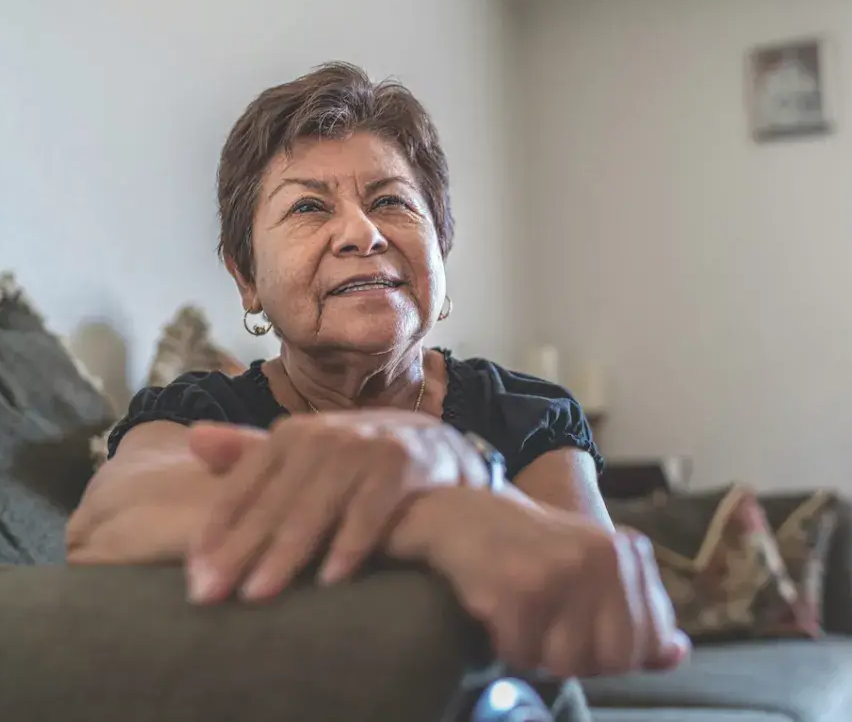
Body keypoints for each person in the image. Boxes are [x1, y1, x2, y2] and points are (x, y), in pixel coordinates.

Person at [66, 61, 689, 680]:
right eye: (309, 207)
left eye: (390, 201)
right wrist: (437, 514)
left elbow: (584, 616)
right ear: (246, 277)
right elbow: (106, 525)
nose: (362, 234)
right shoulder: (200, 411)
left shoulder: (526, 413)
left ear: (438, 250)